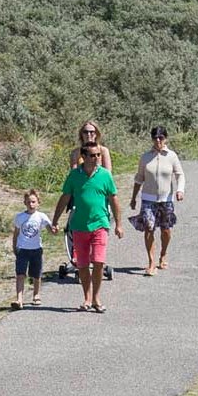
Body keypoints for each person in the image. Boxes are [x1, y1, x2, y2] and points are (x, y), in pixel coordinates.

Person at [52, 143, 124, 312]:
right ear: (83, 157)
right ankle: (87, 297)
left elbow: (114, 199)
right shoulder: (74, 175)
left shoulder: (105, 175)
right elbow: (65, 197)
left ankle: (96, 298)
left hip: (100, 224)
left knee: (98, 262)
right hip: (79, 226)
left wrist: (119, 224)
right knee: (82, 265)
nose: (97, 158)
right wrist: (55, 220)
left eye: (98, 155)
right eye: (93, 155)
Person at [63, 121, 115, 282]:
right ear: (81, 134)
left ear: (97, 133)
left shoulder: (103, 151)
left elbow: (108, 174)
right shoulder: (75, 152)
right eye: (86, 132)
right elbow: (73, 174)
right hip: (78, 195)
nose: (89, 135)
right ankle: (77, 258)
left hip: (98, 196)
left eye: (92, 132)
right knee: (74, 228)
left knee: (97, 230)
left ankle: (96, 260)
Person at [129, 127, 185, 276]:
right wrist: (134, 197)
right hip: (148, 198)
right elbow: (139, 178)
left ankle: (163, 254)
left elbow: (180, 175)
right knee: (149, 228)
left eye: (161, 137)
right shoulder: (145, 157)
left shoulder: (172, 156)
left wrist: (180, 190)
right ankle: (151, 262)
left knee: (166, 230)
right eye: (155, 138)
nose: (158, 140)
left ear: (165, 138)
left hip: (166, 199)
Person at [10, 189, 54, 306]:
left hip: (36, 249)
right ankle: (19, 299)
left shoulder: (41, 216)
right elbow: (16, 233)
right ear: (24, 203)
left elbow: (51, 230)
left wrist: (54, 229)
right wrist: (14, 247)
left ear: (38, 203)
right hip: (22, 249)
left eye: (33, 202)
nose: (31, 204)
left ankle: (36, 294)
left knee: (36, 274)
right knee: (20, 274)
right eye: (28, 202)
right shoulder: (20, 217)